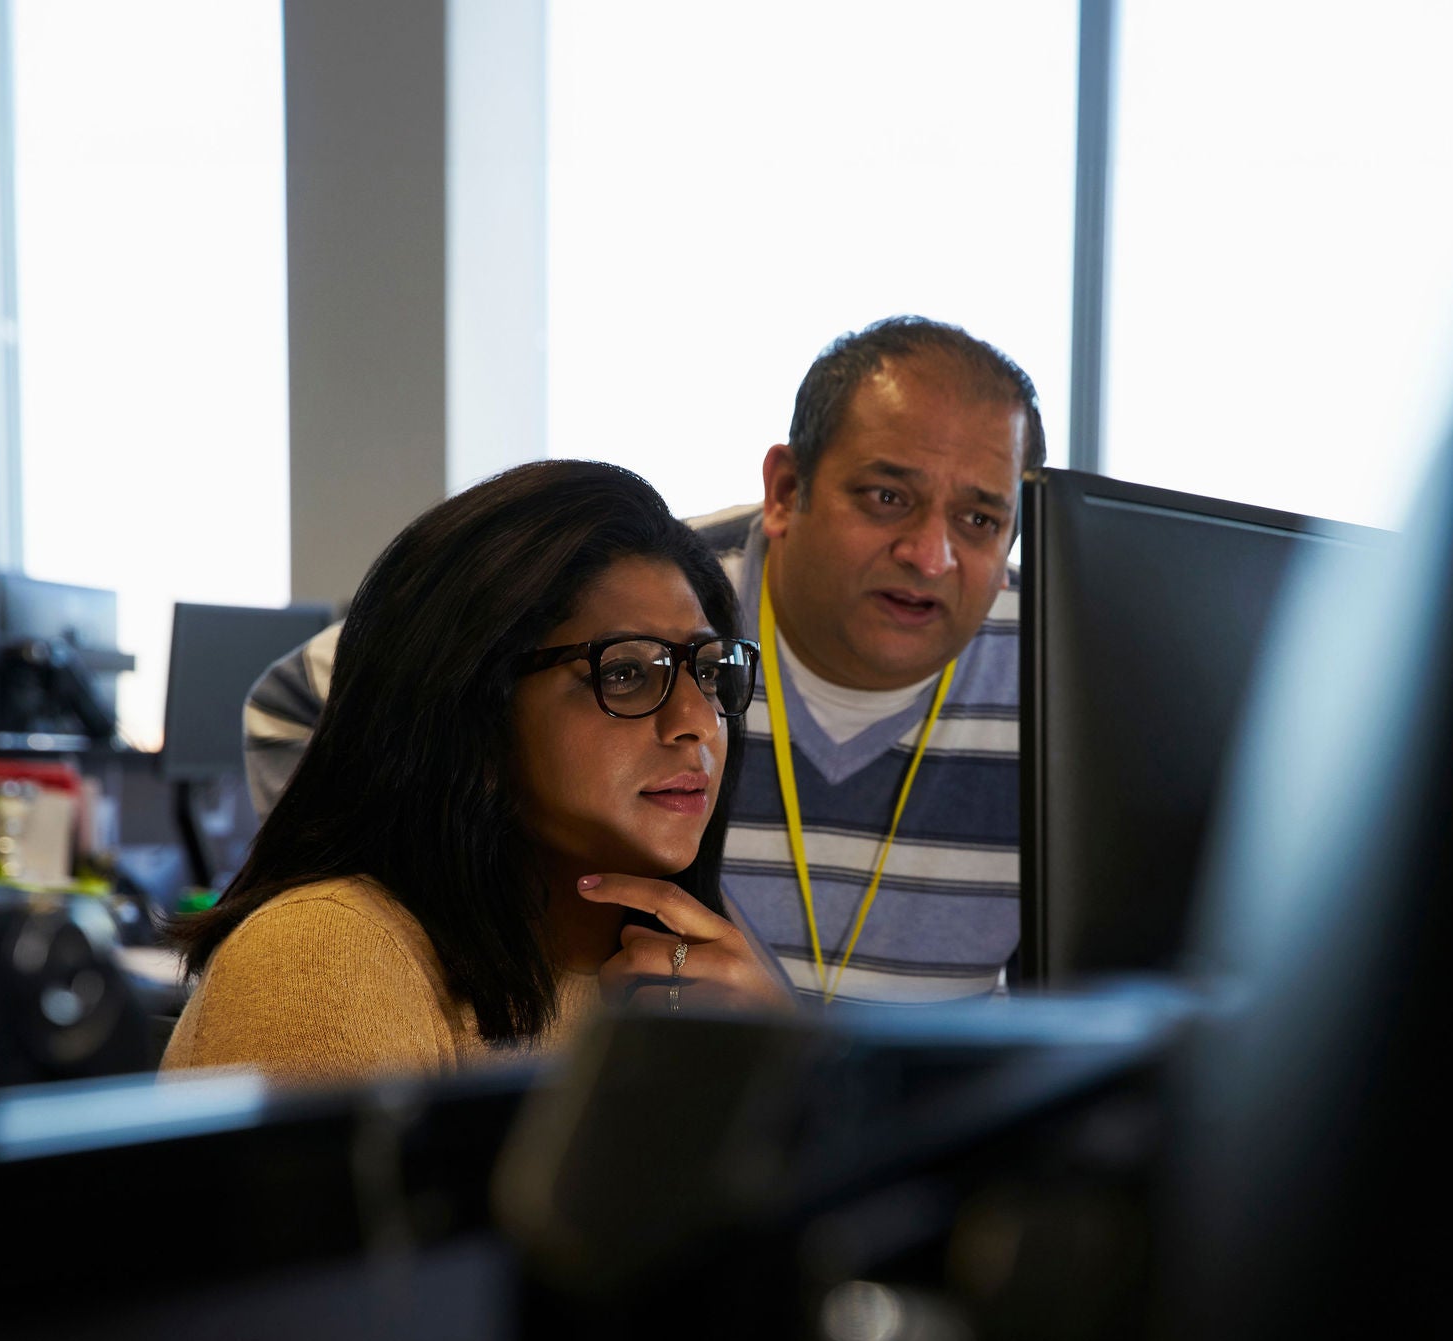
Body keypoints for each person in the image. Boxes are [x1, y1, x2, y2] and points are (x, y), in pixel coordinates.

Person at [246, 316, 1041, 1005]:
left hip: (918, 1144)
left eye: (979, 517)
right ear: (786, 487)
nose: (930, 555)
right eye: (887, 497)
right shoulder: (653, 589)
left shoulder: (1065, 681)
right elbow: (294, 705)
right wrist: (463, 931)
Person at [164, 461, 790, 1083]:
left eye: (709, 672)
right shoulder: (321, 959)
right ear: (472, 705)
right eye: (625, 673)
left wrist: (781, 1074)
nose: (699, 723)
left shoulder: (696, 984)